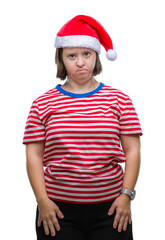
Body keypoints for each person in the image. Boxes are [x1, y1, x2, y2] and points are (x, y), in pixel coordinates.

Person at [23, 15, 143, 240]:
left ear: (96, 56)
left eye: (86, 54)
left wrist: (126, 196)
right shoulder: (42, 103)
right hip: (57, 211)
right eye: (71, 56)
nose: (80, 62)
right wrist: (42, 201)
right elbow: (33, 154)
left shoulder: (120, 100)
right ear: (61, 59)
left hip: (111, 210)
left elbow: (133, 151)